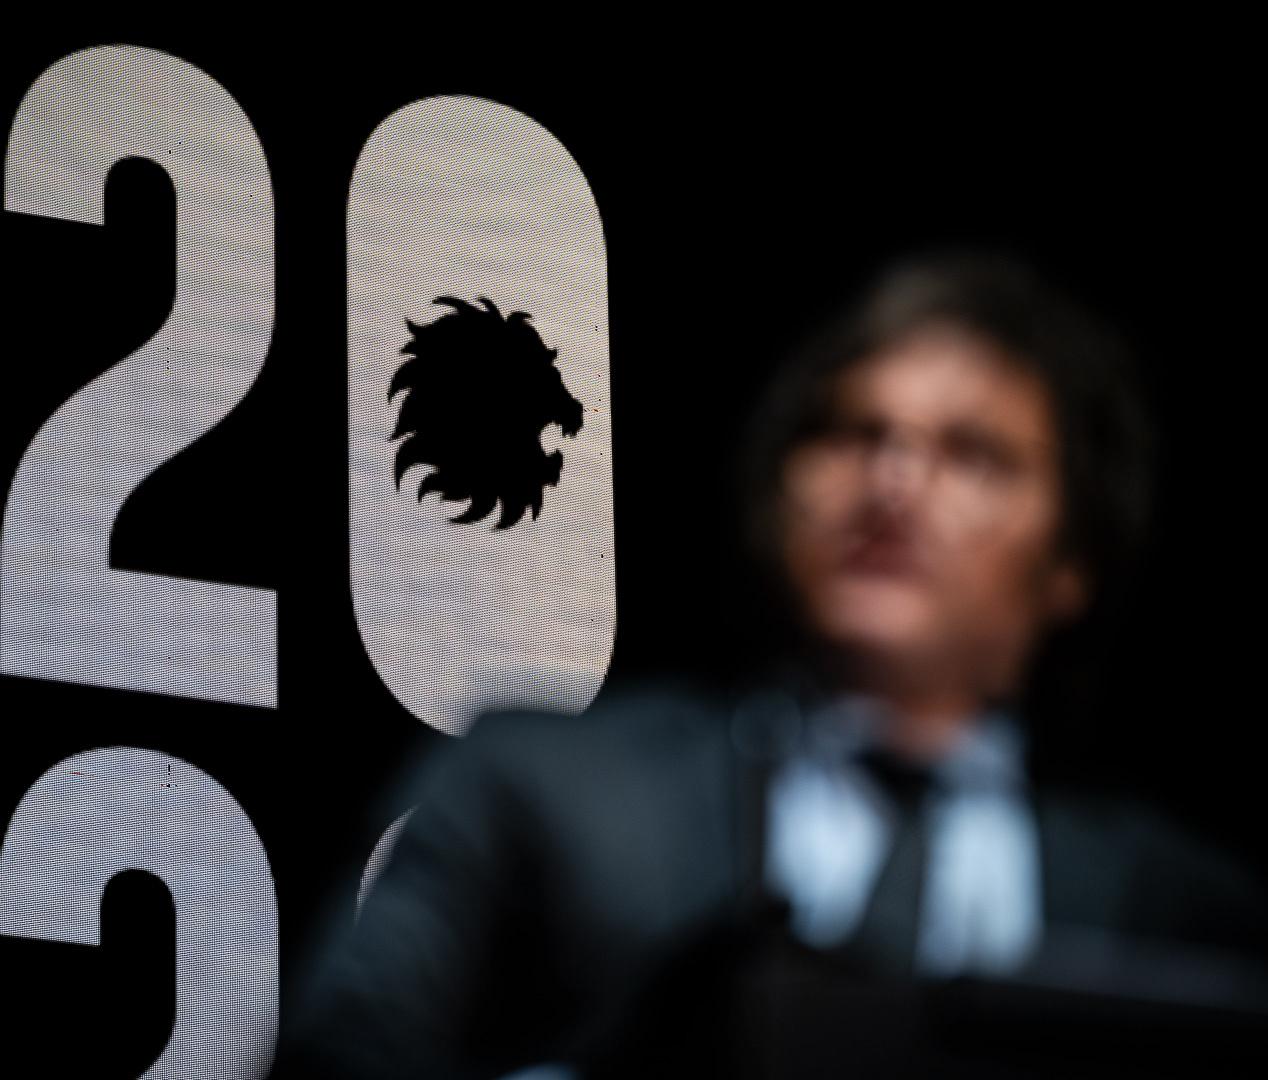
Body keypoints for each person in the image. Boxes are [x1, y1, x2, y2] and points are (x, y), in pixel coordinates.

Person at [286, 255, 1268, 1079]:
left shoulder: (1194, 910)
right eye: (851, 434)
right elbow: (343, 1053)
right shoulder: (546, 789)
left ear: (1073, 562)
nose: (892, 484)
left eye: (974, 456)